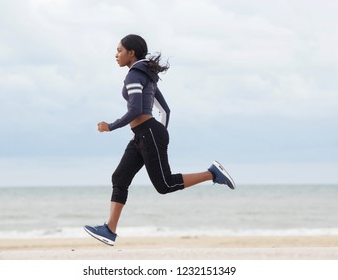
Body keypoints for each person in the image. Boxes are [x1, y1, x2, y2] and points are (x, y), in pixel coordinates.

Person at [84, 34, 235, 246]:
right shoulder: (145, 74)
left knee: (164, 185)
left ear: (131, 53)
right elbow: (165, 110)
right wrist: (154, 135)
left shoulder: (135, 75)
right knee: (120, 177)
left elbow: (136, 109)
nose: (116, 55)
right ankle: (110, 230)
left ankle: (212, 174)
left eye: (119, 50)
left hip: (147, 134)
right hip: (144, 135)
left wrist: (111, 126)